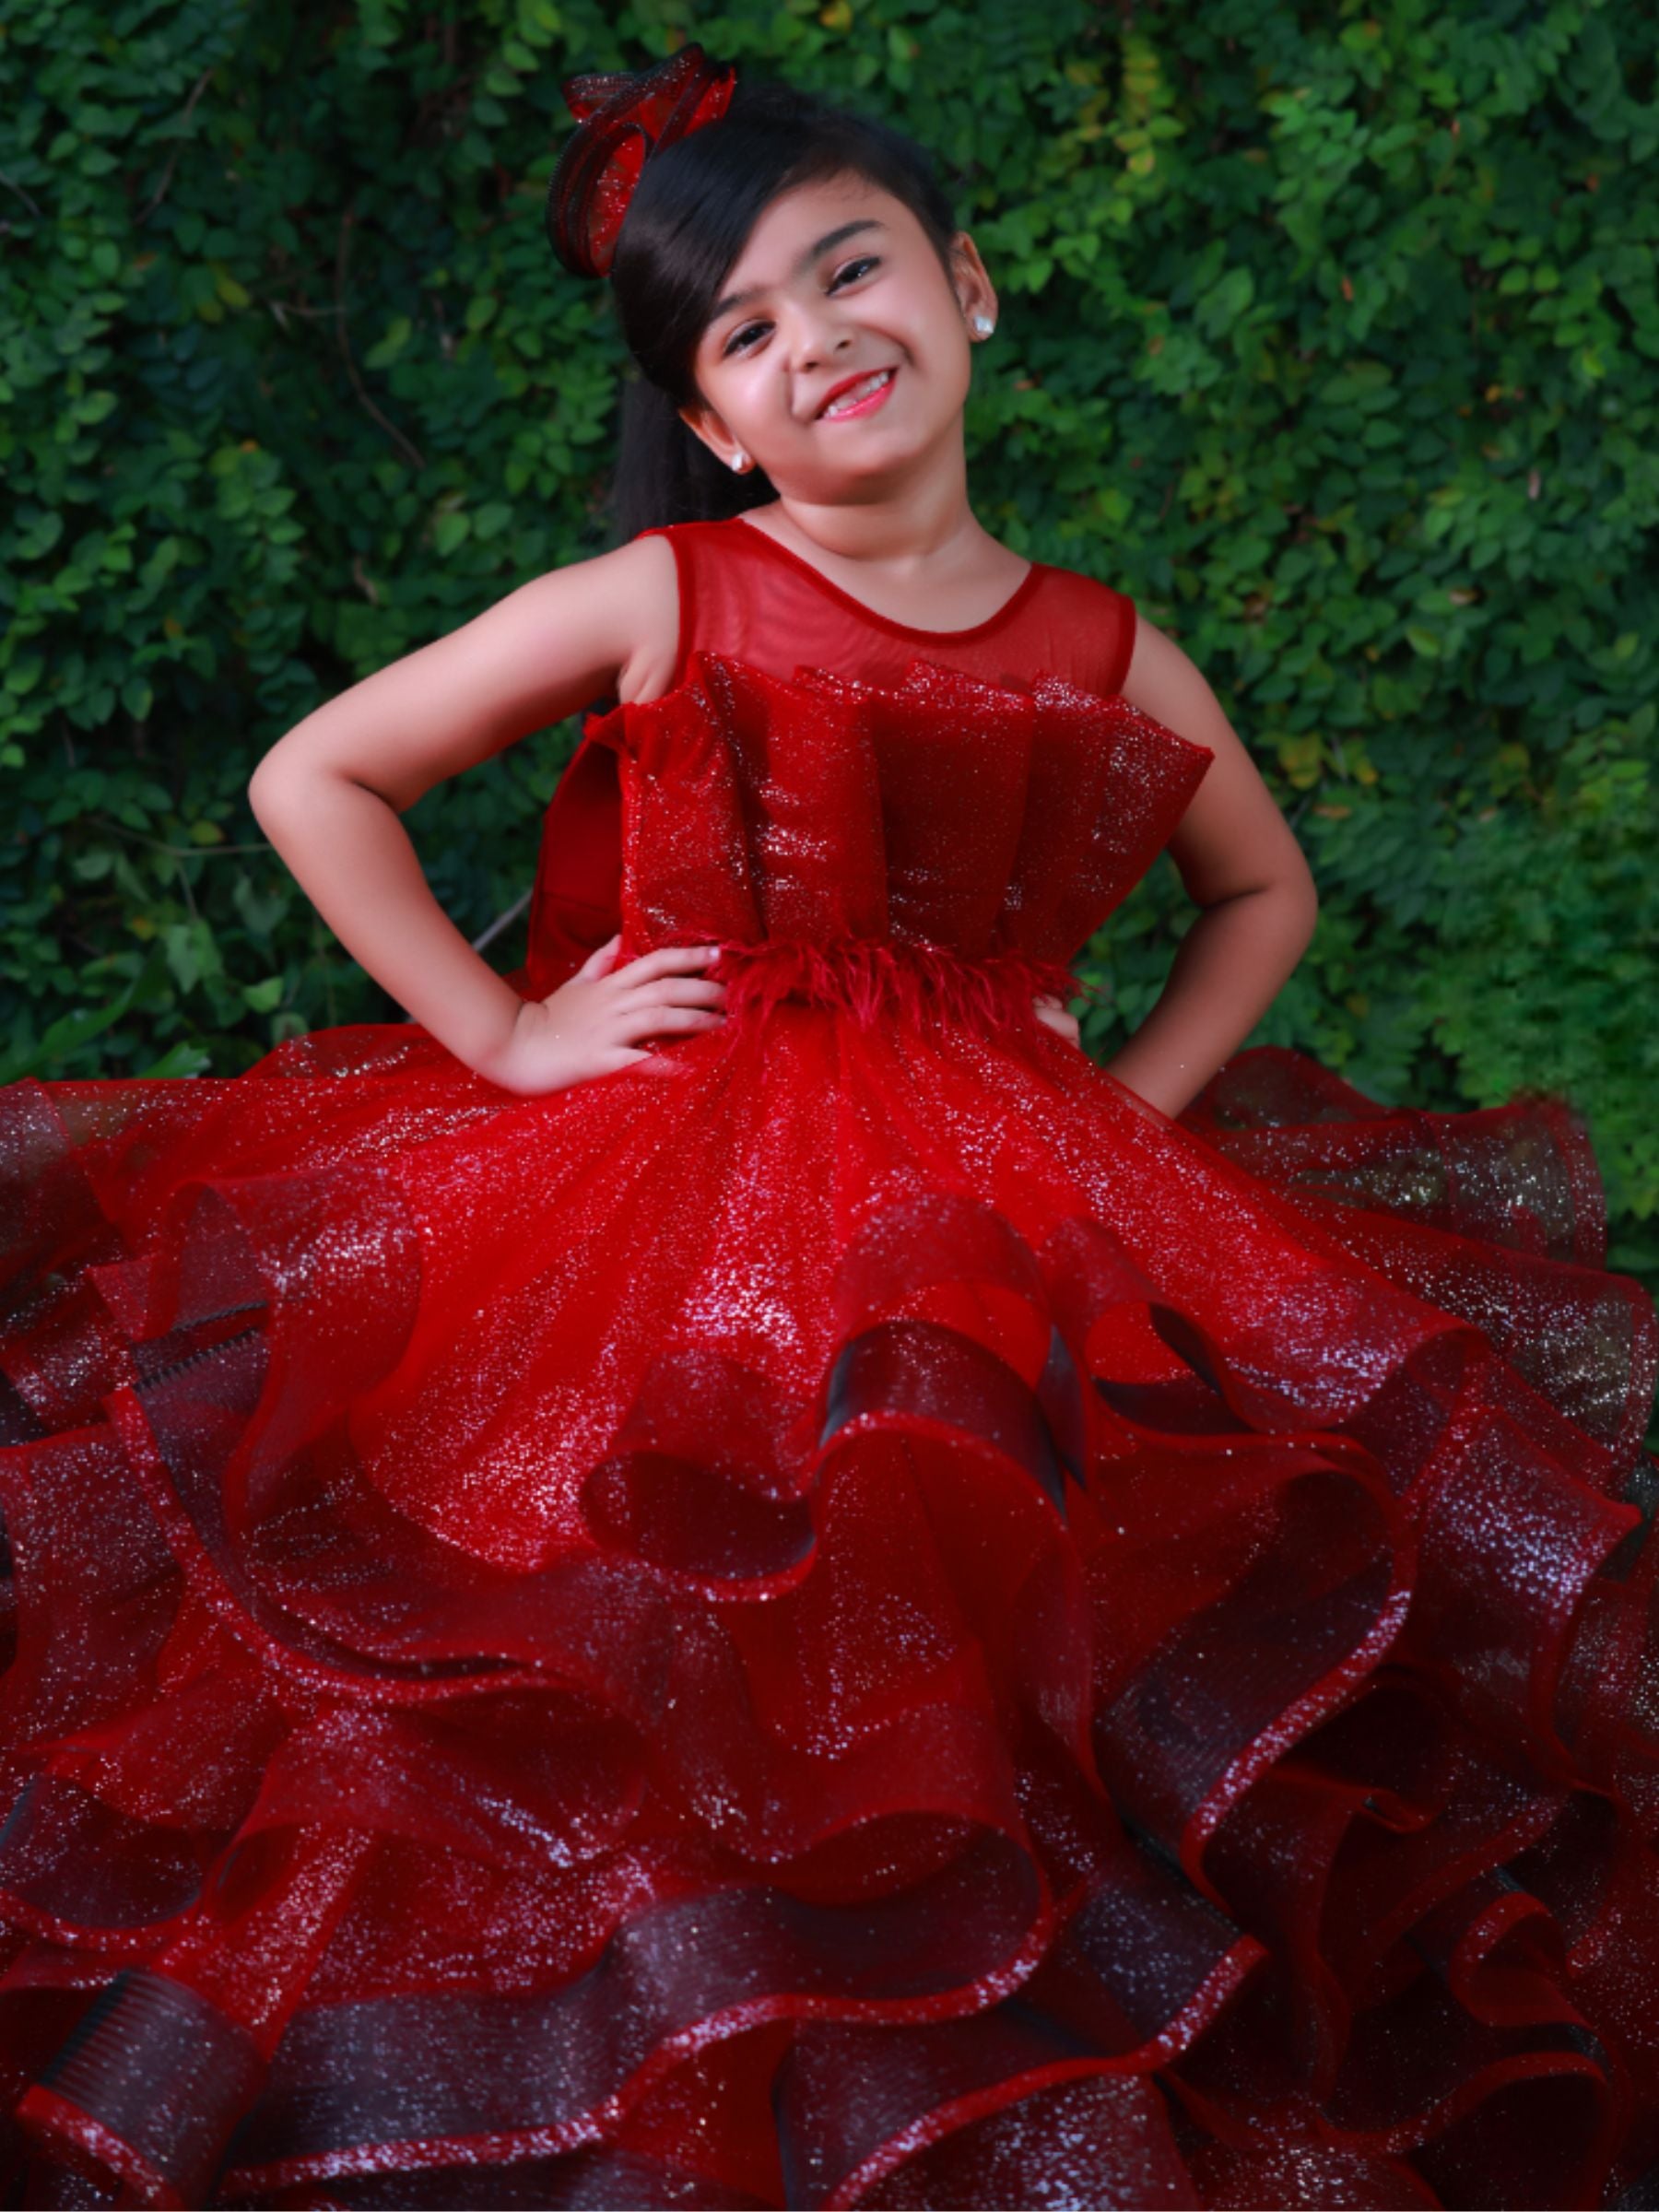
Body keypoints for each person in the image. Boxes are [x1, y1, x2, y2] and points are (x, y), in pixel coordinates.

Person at [0, 39, 1653, 2211]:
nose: (815, 344)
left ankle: (991, 2112)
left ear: (970, 284)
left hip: (1014, 1211)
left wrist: (1130, 1114)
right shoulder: (671, 598)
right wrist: (502, 1038)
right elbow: (317, 774)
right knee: (687, 1645)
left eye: (849, 271)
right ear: (706, 423)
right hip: (671, 1209)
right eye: (745, 337)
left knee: (1013, 1654)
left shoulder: (1102, 648)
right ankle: (700, 2104)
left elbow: (1267, 893)